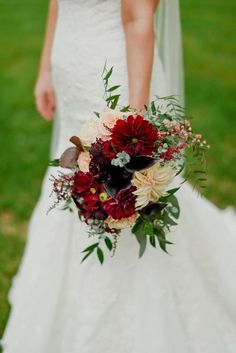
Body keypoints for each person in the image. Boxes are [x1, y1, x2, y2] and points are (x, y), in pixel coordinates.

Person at [1, 1, 236, 352]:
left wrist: (133, 130)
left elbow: (139, 17)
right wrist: (46, 65)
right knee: (75, 180)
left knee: (122, 192)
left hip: (115, 74)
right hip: (72, 70)